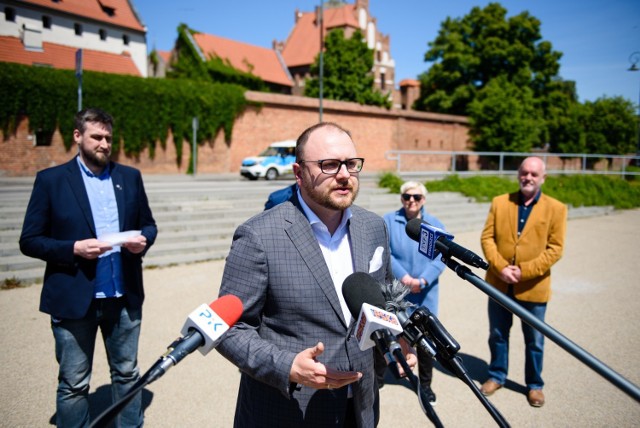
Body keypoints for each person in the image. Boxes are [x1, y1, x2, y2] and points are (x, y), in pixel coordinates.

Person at [216, 122, 417, 427]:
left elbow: (386, 295)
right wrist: (288, 366)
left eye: (351, 164)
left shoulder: (374, 227)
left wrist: (400, 334)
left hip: (361, 403)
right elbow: (228, 328)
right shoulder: (258, 236)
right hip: (289, 410)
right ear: (298, 173)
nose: (344, 174)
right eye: (329, 165)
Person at [19, 108, 157, 427]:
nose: (104, 143)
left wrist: (143, 240)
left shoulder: (129, 178)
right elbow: (29, 240)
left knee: (127, 374)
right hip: (74, 299)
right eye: (97, 136)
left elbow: (148, 225)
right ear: (78, 137)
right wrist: (73, 248)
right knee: (73, 384)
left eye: (109, 138)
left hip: (123, 298)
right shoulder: (51, 181)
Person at [479, 156, 567, 408]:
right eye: (524, 172)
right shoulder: (500, 202)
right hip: (499, 284)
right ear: (519, 174)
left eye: (534, 174)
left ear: (543, 178)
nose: (528, 177)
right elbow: (487, 238)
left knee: (535, 340)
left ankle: (534, 385)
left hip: (533, 287)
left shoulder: (557, 208)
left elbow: (555, 249)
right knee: (497, 335)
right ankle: (497, 375)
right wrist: (501, 267)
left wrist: (524, 271)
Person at [383, 181, 446, 404]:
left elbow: (441, 256)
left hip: (425, 292)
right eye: (407, 196)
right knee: (394, 332)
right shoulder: (388, 221)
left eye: (417, 197)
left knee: (426, 340)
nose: (411, 201)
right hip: (399, 291)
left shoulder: (435, 224)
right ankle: (394, 369)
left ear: (424, 199)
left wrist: (423, 279)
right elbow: (386, 252)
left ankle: (425, 385)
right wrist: (405, 278)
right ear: (401, 198)